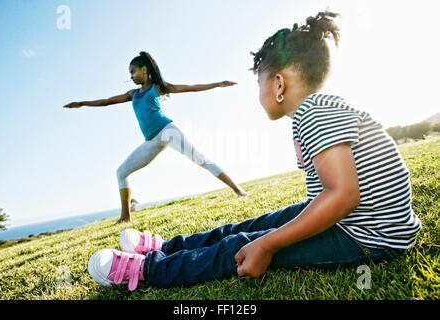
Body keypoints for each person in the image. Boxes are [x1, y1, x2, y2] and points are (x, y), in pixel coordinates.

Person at [87, 11, 421, 290]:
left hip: (367, 235)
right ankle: (165, 248)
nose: (257, 91)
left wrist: (268, 244)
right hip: (354, 220)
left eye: (258, 82)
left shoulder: (315, 113)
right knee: (249, 225)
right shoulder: (314, 111)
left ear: (278, 84)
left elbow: (344, 194)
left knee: (240, 245)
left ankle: (146, 269)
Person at [64, 52, 247, 223]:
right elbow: (107, 101)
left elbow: (190, 88)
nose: (131, 76)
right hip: (151, 140)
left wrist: (217, 84)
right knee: (121, 172)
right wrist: (82, 103)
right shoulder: (132, 94)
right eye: (130, 73)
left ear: (144, 69)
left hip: (167, 130)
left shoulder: (158, 87)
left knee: (200, 159)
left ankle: (238, 190)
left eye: (133, 72)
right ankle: (125, 216)